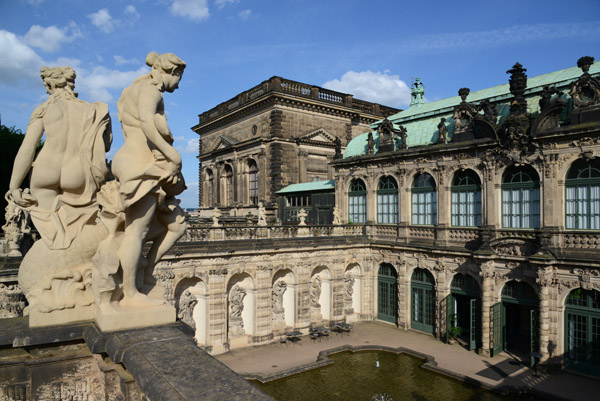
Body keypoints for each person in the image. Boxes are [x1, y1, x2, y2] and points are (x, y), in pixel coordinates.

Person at [111, 52, 187, 307]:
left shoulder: (133, 89)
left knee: (177, 224)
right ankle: (131, 294)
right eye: (179, 78)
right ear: (173, 72)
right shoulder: (150, 90)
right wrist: (173, 155)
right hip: (140, 163)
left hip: (137, 160)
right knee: (136, 231)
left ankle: (143, 273)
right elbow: (146, 122)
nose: (179, 85)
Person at [7, 66, 111, 250]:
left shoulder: (44, 109)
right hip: (78, 172)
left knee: (52, 238)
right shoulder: (92, 110)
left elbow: (28, 147)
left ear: (49, 85)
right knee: (77, 235)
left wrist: (14, 185)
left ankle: (52, 269)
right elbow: (107, 145)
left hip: (45, 170)